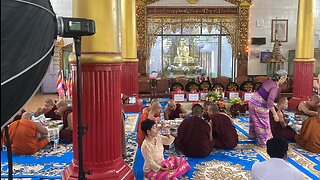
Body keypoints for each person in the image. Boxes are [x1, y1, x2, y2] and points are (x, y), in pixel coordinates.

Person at [248, 69, 288, 147]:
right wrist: (275, 114)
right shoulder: (274, 87)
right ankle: (264, 142)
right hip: (259, 104)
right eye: (285, 79)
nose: (284, 81)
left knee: (254, 119)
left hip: (253, 100)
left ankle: (252, 135)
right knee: (263, 123)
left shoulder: (269, 81)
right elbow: (270, 102)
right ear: (282, 78)